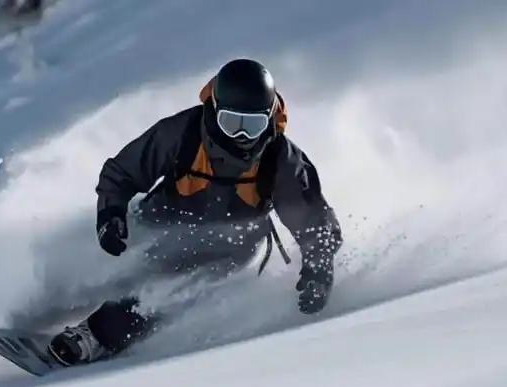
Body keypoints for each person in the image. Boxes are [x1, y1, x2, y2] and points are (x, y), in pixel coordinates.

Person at [47, 58, 343, 366]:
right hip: (159, 220)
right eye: (232, 123)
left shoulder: (281, 160)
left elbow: (316, 223)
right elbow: (122, 172)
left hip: (226, 250)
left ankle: (95, 337)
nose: (242, 137)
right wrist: (110, 214)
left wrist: (318, 272)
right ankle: (46, 306)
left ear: (269, 118)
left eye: (253, 125)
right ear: (214, 110)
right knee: (108, 269)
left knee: (165, 293)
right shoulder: (184, 133)